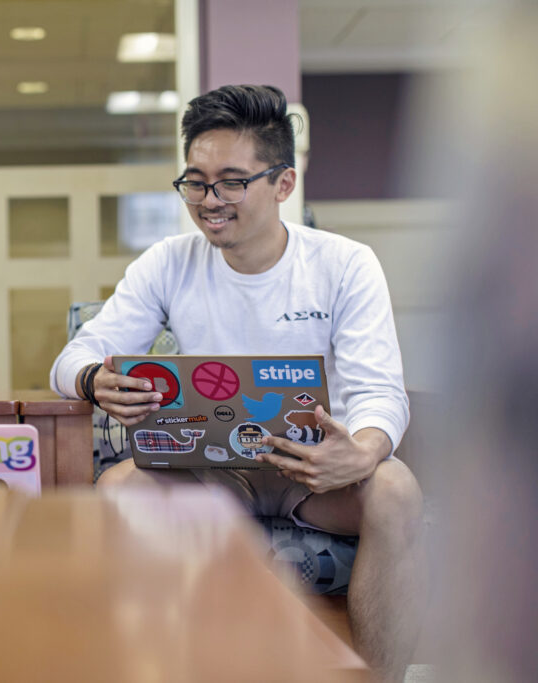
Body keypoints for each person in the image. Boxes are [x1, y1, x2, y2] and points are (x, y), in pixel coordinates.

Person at [49, 84, 423, 683]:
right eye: (195, 181)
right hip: (212, 473)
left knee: (396, 489)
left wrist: (363, 450)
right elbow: (74, 356)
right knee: (121, 488)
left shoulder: (344, 264)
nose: (209, 200)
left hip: (317, 476)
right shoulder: (169, 262)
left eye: (230, 181)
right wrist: (94, 380)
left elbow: (380, 391)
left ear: (283, 184)